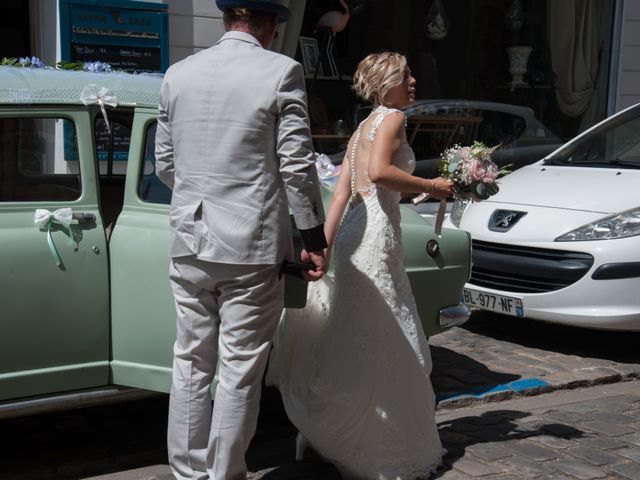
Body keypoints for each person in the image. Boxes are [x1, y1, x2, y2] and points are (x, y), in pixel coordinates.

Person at [154, 1, 328, 478]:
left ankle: (188, 474)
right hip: (250, 243)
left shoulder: (178, 74)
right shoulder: (281, 71)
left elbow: (165, 165)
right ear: (270, 24)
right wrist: (312, 234)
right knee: (238, 369)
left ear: (227, 18)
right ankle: (224, 475)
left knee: (190, 361)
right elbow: (296, 164)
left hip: (190, 237)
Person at [267, 51, 454, 479]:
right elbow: (381, 172)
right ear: (388, 81)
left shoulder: (361, 128)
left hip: (354, 233)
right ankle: (375, 445)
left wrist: (323, 247)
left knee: (354, 335)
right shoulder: (392, 119)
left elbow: (339, 194)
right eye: (407, 75)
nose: (413, 82)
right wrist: (433, 185)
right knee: (383, 335)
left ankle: (335, 432)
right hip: (375, 236)